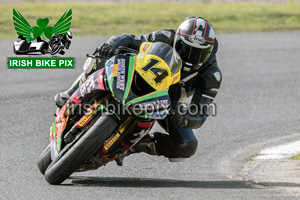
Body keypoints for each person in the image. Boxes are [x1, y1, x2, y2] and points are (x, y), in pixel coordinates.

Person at [54, 17, 222, 165]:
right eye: (185, 49)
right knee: (101, 57)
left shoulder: (211, 76)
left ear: (209, 51)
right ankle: (70, 94)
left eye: (199, 53)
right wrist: (110, 45)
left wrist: (184, 118)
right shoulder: (166, 37)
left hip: (166, 102)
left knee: (187, 145)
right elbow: (130, 40)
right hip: (139, 76)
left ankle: (132, 146)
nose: (190, 57)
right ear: (177, 38)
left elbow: (200, 112)